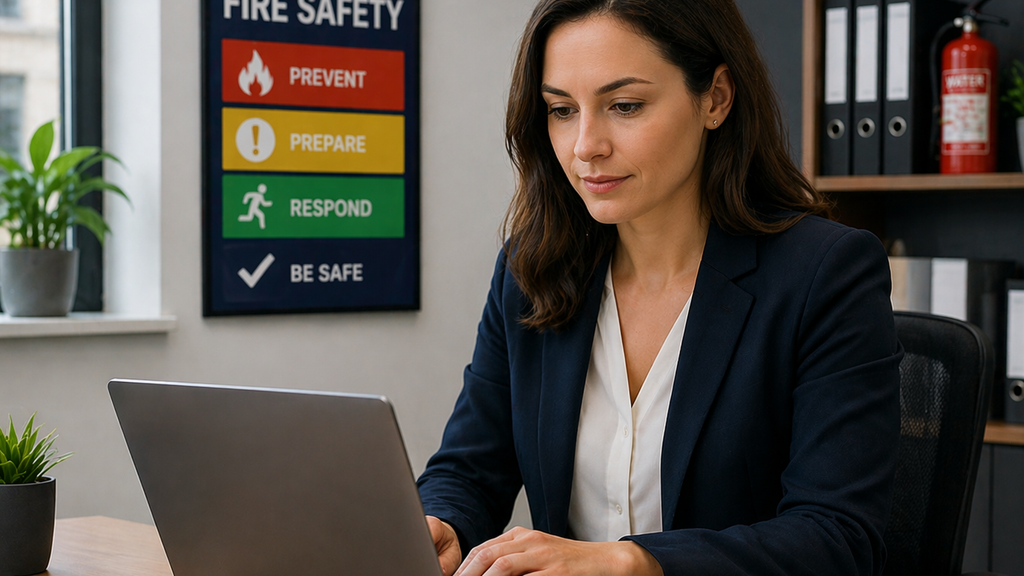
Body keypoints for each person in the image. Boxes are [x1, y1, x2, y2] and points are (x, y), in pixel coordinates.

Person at [416, 1, 902, 575]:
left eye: (624, 105)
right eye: (561, 110)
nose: (584, 145)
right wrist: (440, 521)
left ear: (715, 98)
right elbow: (470, 467)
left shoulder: (825, 273)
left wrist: (637, 563)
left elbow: (837, 538)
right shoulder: (532, 270)